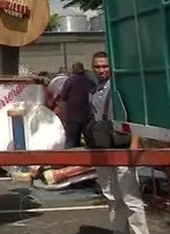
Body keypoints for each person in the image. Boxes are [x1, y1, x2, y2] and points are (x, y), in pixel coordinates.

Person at [90, 51, 149, 234]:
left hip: (122, 147)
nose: (101, 70)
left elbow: (136, 117)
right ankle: (119, 231)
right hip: (102, 149)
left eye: (105, 66)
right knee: (111, 196)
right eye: (98, 66)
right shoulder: (93, 92)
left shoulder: (119, 88)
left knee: (130, 197)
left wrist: (135, 143)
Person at [56, 61, 96, 148]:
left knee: (71, 141)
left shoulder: (70, 81)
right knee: (91, 142)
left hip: (73, 115)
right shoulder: (90, 81)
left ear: (73, 69)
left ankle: (70, 160)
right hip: (87, 114)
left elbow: (63, 97)